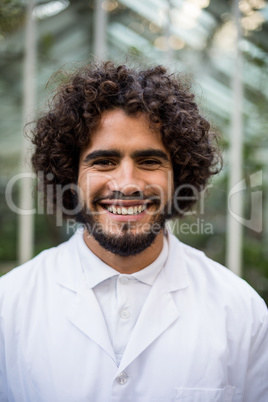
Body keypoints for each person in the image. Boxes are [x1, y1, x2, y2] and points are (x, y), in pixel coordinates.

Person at [0, 61, 267, 402]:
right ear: (69, 175)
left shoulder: (241, 311)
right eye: (104, 161)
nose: (127, 185)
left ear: (180, 175)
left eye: (150, 161)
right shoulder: (9, 306)